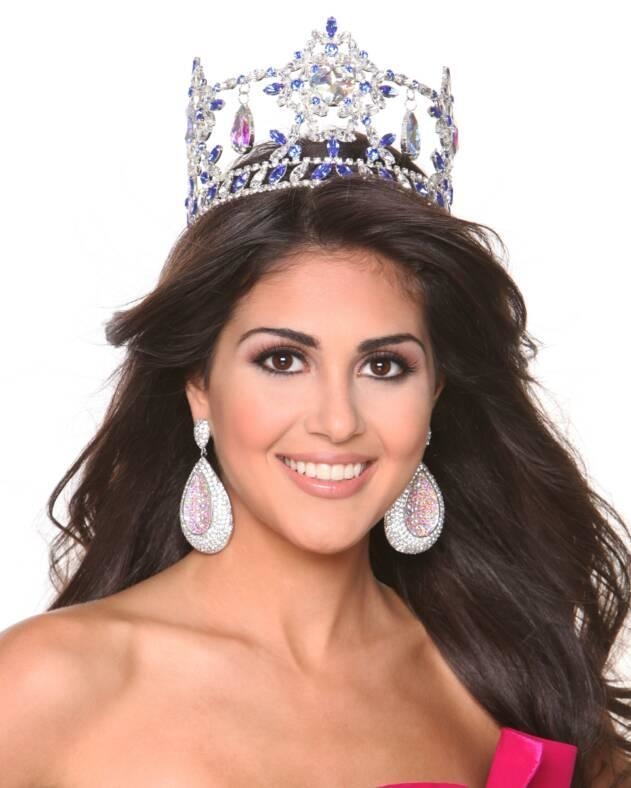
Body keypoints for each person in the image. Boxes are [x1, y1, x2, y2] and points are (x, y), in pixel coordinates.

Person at [1, 15, 630, 788]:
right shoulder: (44, 686)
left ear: (435, 392)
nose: (336, 421)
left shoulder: (507, 683)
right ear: (198, 385)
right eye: (282, 360)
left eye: (384, 367)